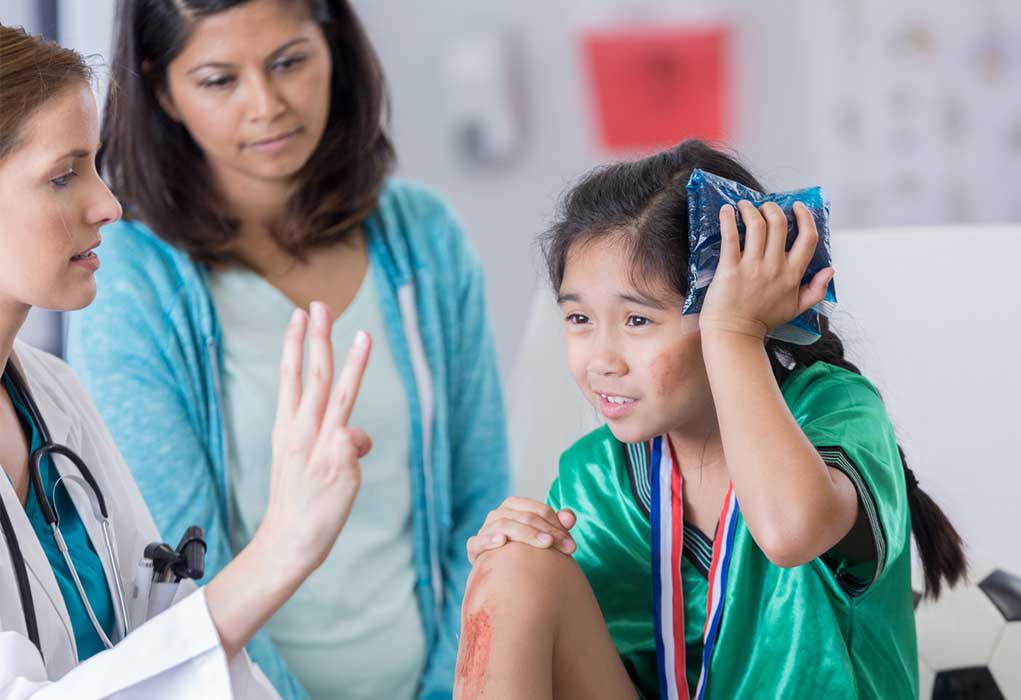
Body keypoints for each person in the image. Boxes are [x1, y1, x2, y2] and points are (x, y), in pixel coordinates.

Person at [64, 1, 509, 698]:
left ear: (333, 46)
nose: (266, 105)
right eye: (219, 80)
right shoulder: (129, 281)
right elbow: (177, 571)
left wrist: (451, 686)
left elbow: (479, 506)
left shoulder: (426, 238)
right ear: (160, 88)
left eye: (289, 62)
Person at [457, 140, 967, 699]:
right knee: (514, 567)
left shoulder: (834, 412)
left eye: (636, 319)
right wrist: (505, 558)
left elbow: (789, 531)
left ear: (733, 304)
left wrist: (735, 333)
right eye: (579, 317)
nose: (601, 359)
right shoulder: (595, 476)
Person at [0, 23, 374, 698]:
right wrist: (281, 547)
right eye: (62, 176)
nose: (107, 205)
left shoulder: (52, 395)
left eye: (95, 167)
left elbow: (161, 630)